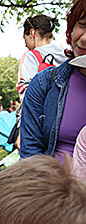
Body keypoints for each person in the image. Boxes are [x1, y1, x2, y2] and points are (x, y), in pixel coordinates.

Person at [21, 0, 86, 161]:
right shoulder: (44, 84)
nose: (84, 38)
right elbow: (31, 156)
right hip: (52, 184)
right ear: (71, 29)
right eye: (83, 25)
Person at [16, 14, 67, 101]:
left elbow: (26, 92)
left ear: (32, 33)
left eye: (25, 38)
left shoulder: (31, 56)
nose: (25, 44)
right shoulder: (66, 54)